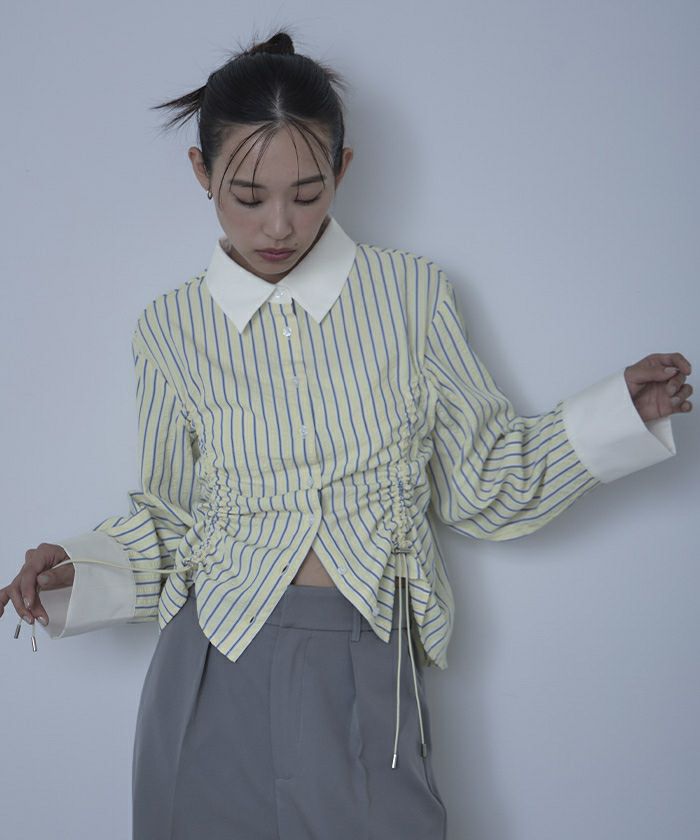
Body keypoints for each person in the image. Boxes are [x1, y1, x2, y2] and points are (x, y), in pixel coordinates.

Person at [0, 28, 693, 840]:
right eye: (248, 196)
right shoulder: (170, 328)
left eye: (308, 192)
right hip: (212, 661)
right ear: (201, 173)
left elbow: (482, 485)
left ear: (344, 169)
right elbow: (175, 519)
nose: (279, 225)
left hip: (364, 650)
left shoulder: (412, 295)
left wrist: (616, 415)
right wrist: (78, 566)